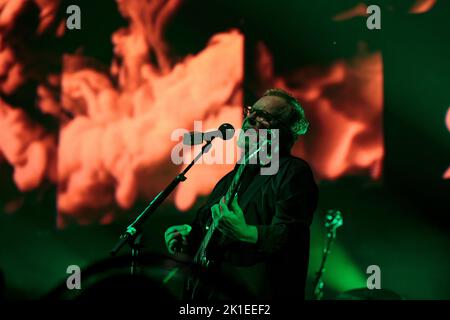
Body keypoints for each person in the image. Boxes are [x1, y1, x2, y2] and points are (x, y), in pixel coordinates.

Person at [164, 88, 318, 300]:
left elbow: (292, 236)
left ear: (283, 133)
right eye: (251, 112)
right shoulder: (229, 180)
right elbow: (206, 230)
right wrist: (188, 238)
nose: (250, 120)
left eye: (264, 117)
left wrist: (247, 232)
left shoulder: (293, 172)